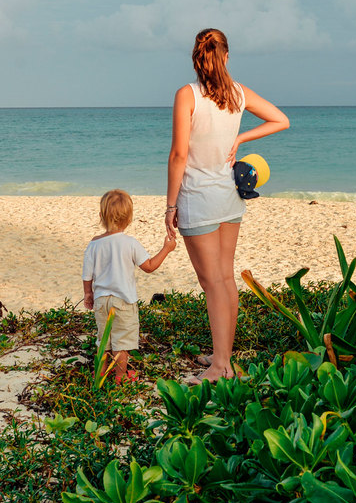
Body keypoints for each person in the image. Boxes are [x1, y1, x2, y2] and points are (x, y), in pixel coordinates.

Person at [164, 28, 290, 384]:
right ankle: (223, 357)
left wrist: (169, 206)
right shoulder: (238, 93)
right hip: (229, 199)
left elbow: (178, 156)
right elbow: (281, 119)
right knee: (223, 279)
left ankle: (220, 366)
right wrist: (242, 136)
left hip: (199, 199)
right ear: (227, 57)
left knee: (213, 283)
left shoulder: (187, 95)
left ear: (196, 58)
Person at [83, 189, 177, 382]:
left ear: (101, 216)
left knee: (104, 341)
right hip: (123, 301)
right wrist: (166, 249)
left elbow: (87, 274)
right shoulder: (130, 243)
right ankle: (120, 377)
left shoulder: (93, 244)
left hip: (101, 301)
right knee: (121, 343)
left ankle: (100, 373)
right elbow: (149, 267)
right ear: (129, 219)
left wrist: (88, 294)